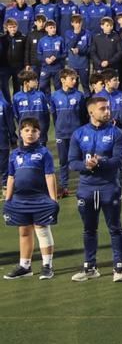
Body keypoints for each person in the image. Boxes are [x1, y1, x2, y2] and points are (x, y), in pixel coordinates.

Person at [68, 96, 122, 282]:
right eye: (103, 108)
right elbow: (72, 162)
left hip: (109, 187)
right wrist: (86, 165)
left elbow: (118, 161)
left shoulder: (116, 133)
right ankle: (90, 267)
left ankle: (119, 268)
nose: (107, 111)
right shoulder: (78, 134)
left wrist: (98, 162)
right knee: (89, 229)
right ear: (91, 112)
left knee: (115, 228)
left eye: (108, 108)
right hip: (86, 188)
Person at [2, 119, 59, 280]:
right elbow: (11, 177)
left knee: (42, 229)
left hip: (39, 198)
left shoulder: (44, 153)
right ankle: (25, 266)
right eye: (26, 130)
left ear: (39, 134)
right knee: (24, 231)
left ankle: (47, 265)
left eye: (34, 131)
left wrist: (53, 199)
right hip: (20, 199)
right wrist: (8, 200)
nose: (30, 134)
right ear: (20, 133)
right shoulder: (15, 155)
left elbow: (49, 176)